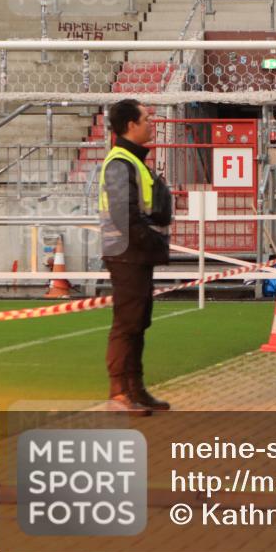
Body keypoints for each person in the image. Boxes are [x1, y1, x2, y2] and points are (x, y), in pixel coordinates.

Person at [99, 99, 174, 415]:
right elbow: (124, 215)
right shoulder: (120, 163)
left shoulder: (130, 160)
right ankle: (120, 392)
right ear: (131, 125)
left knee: (138, 322)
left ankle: (135, 388)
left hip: (135, 253)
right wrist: (153, 240)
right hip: (127, 253)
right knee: (127, 324)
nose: (151, 123)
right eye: (146, 118)